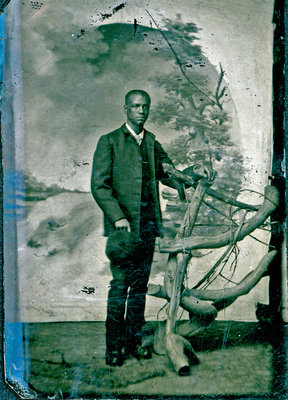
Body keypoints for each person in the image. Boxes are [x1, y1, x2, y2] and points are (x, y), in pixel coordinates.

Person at [91, 89, 213, 366]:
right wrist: (117, 217)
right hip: (122, 232)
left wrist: (194, 172)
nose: (141, 111)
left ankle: (133, 344)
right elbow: (99, 185)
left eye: (145, 106)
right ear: (126, 109)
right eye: (135, 106)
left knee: (139, 289)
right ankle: (113, 348)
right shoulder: (109, 141)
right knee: (119, 288)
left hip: (147, 231)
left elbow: (170, 173)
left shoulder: (152, 143)